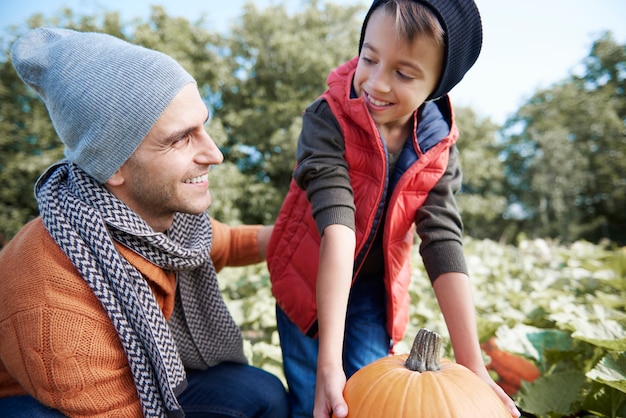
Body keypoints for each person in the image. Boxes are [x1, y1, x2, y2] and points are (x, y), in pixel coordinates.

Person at [0, 27, 289, 417]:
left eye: (203, 126)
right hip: (42, 402)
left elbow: (232, 242)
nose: (215, 154)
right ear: (112, 165)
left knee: (260, 393)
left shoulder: (165, 228)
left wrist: (312, 236)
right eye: (181, 139)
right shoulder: (53, 304)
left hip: (132, 383)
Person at [266, 0, 520, 417]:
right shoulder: (327, 117)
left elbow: (442, 240)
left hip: (373, 289)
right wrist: (328, 365)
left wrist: (473, 362)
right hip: (308, 275)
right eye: (369, 58)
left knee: (372, 392)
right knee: (313, 390)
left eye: (403, 73)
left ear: (439, 83)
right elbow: (338, 225)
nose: (377, 83)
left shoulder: (438, 146)